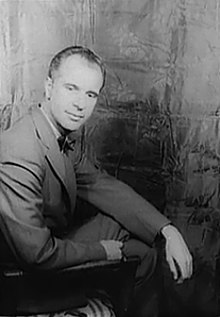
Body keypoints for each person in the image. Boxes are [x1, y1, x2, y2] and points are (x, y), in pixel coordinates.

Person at [0, 46, 192, 316]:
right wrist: (104, 251)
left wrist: (168, 230)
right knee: (132, 251)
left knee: (144, 251)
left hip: (47, 251)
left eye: (90, 94)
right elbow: (37, 255)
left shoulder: (58, 135)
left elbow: (103, 186)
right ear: (48, 86)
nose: (80, 104)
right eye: (71, 88)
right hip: (22, 284)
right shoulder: (19, 150)